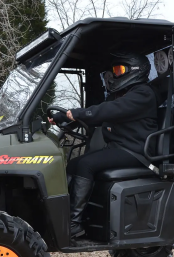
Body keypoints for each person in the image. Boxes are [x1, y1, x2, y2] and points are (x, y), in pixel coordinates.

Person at [49, 52, 159, 238]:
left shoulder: (142, 93)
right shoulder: (121, 95)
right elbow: (97, 114)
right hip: (119, 148)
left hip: (135, 151)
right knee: (74, 164)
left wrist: (78, 113)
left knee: (86, 164)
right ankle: (63, 215)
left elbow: (107, 111)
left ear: (135, 71)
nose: (115, 74)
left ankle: (73, 225)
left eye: (119, 70)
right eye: (114, 70)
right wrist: (64, 118)